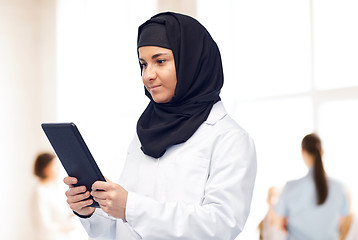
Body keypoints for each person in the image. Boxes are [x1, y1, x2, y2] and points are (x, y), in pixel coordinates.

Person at [63, 12, 257, 240]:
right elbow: (121, 229)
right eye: (143, 64)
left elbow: (220, 226)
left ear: (192, 61)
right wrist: (91, 211)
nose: (148, 75)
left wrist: (131, 208)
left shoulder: (229, 138)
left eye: (160, 61)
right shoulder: (145, 133)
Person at [275, 133, 349, 240]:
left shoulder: (290, 187)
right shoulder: (340, 187)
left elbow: (280, 224)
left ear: (303, 152)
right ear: (322, 152)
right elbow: (341, 225)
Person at [32, 152, 76, 240]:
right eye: (55, 166)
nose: (58, 169)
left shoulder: (55, 188)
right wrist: (66, 226)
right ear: (45, 169)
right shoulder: (40, 192)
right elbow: (44, 225)